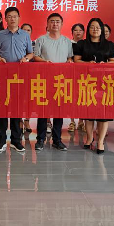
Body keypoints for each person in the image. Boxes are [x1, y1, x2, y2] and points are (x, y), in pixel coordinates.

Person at [0, 7, 34, 153]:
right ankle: (1, 140)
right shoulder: (0, 35)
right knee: (2, 109)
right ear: (5, 19)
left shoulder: (25, 35)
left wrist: (26, 58)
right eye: (9, 16)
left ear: (19, 18)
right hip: (3, 76)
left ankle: (16, 140)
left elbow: (31, 53)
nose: (12, 19)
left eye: (15, 16)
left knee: (16, 109)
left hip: (19, 78)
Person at [74, 18, 114, 154]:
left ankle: (101, 141)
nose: (95, 29)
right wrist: (88, 64)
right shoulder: (82, 44)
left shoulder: (109, 44)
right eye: (92, 27)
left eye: (98, 27)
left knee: (103, 113)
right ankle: (89, 138)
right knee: (89, 112)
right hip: (87, 81)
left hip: (105, 82)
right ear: (88, 29)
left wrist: (105, 65)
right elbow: (76, 60)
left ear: (102, 29)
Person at [33, 13, 73, 151]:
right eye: (52, 21)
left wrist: (69, 61)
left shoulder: (67, 41)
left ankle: (57, 139)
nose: (55, 24)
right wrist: (44, 62)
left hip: (61, 81)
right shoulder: (41, 40)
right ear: (47, 24)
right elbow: (35, 57)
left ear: (61, 24)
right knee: (43, 111)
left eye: (57, 21)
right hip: (44, 80)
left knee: (58, 111)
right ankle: (40, 139)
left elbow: (70, 58)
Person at [69, 23, 86, 133]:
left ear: (84, 32)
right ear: (72, 32)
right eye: (75, 30)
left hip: (84, 75)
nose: (78, 32)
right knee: (72, 98)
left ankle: (81, 121)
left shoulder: (86, 44)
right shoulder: (68, 43)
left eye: (80, 30)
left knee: (82, 98)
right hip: (71, 75)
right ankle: (72, 121)